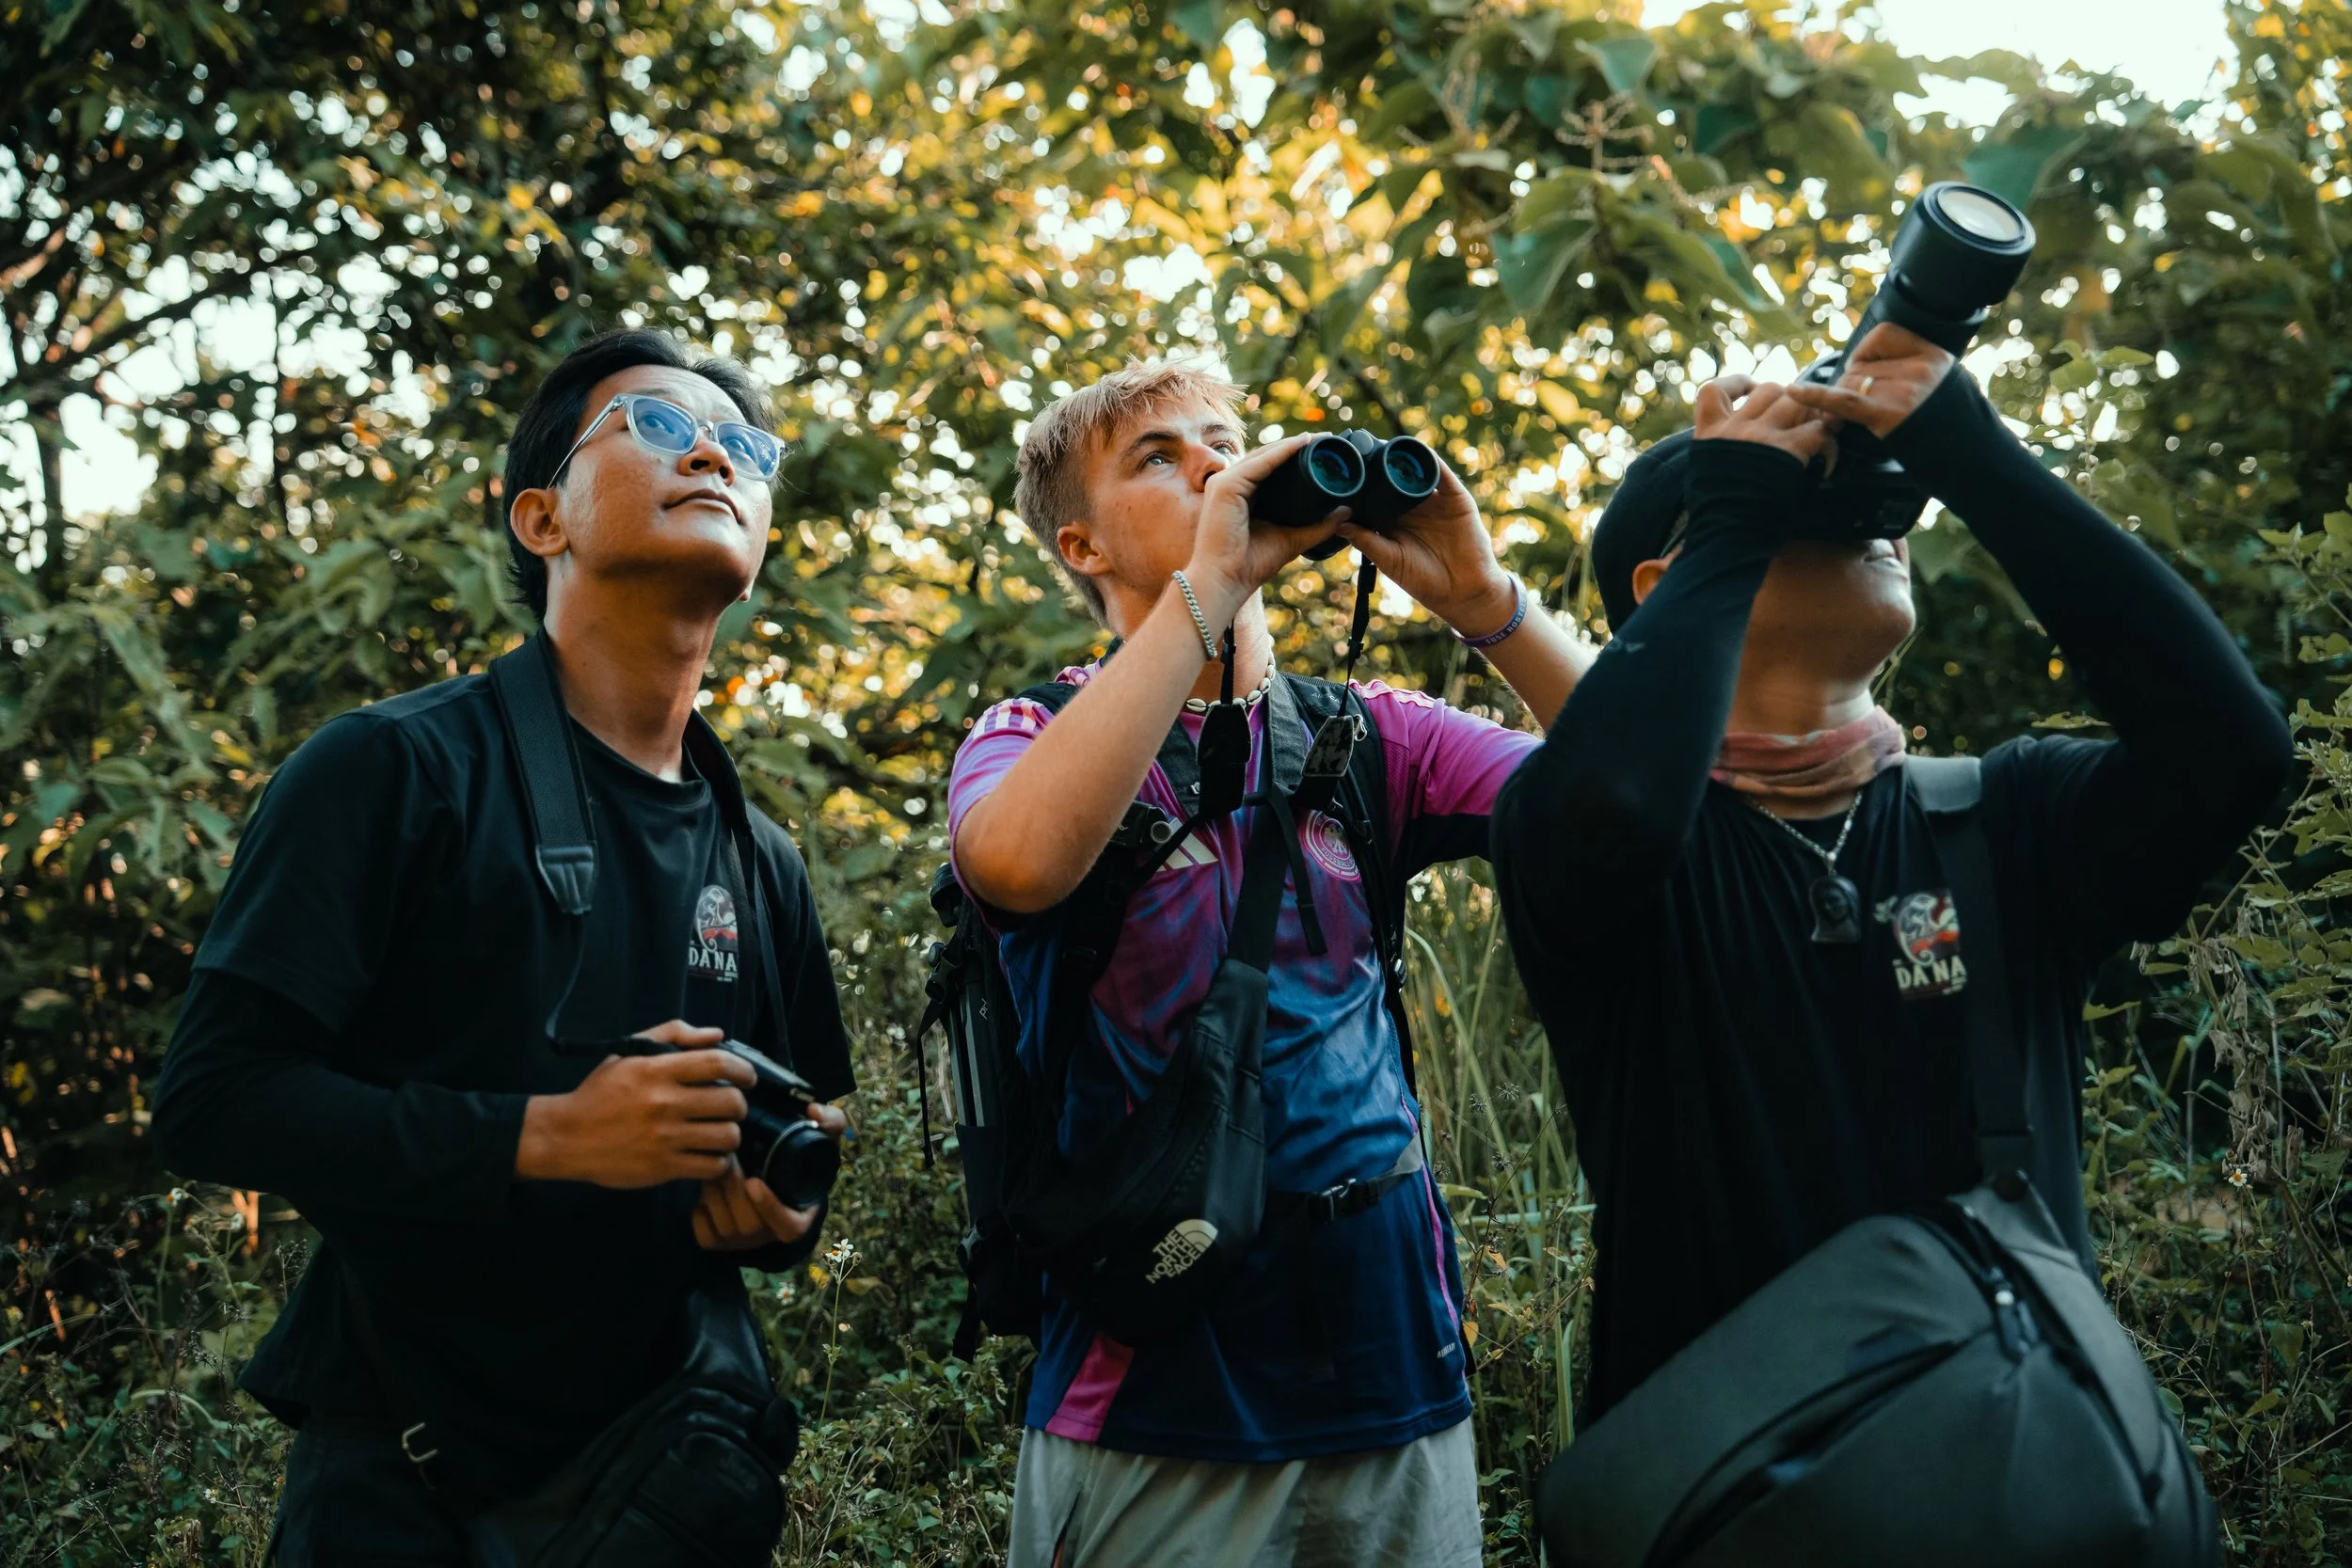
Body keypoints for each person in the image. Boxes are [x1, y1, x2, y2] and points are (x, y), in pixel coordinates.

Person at [1492, 325, 2294, 1431]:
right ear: (1673, 579)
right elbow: (1617, 797)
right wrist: (1738, 504)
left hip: (2023, 1489)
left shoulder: (2003, 820)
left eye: (1880, 508)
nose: (1876, 528)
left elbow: (2233, 751)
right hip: (1732, 1500)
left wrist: (1971, 453)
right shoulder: (1603, 851)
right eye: (1810, 516)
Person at [151, 328, 854, 1562]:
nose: (709, 452)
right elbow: (212, 1099)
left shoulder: (765, 858)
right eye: (652, 425)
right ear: (543, 518)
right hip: (403, 1470)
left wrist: (777, 1213)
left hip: (667, 1479)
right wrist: (548, 1136)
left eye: (744, 445)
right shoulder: (392, 768)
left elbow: (810, 1135)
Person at [947, 357, 1592, 1567]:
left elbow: (1648, 789)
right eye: (1158, 454)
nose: (1211, 462)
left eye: (1223, 435)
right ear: (1080, 546)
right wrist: (1209, 586)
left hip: (1396, 1370)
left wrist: (1486, 598)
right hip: (1150, 1393)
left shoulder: (1370, 735)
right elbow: (1019, 864)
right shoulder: (1032, 734)